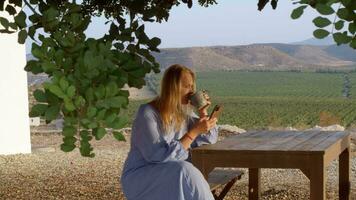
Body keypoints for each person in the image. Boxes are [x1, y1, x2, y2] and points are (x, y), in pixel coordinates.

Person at [121, 64, 219, 200]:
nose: (191, 92)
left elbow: (209, 139)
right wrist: (193, 133)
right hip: (141, 178)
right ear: (173, 88)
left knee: (185, 172)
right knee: (185, 170)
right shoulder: (147, 113)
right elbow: (158, 156)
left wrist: (203, 112)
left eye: (192, 87)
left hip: (172, 173)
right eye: (187, 86)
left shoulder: (181, 114)